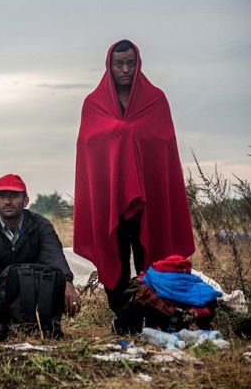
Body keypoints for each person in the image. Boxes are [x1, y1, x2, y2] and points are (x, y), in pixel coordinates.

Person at [73, 40, 195, 327]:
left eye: (130, 63)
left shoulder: (156, 100)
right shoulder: (94, 104)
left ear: (138, 63)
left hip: (149, 200)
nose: (125, 69)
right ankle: (121, 310)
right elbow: (89, 148)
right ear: (110, 66)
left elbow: (163, 144)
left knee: (149, 254)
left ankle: (152, 308)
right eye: (119, 64)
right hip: (109, 201)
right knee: (114, 251)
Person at [0, 174, 80, 341]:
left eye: (13, 196)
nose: (7, 201)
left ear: (25, 200)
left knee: (57, 276)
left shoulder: (40, 224)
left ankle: (47, 325)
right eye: (1, 196)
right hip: (0, 291)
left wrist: (67, 282)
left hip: (34, 292)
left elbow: (54, 255)